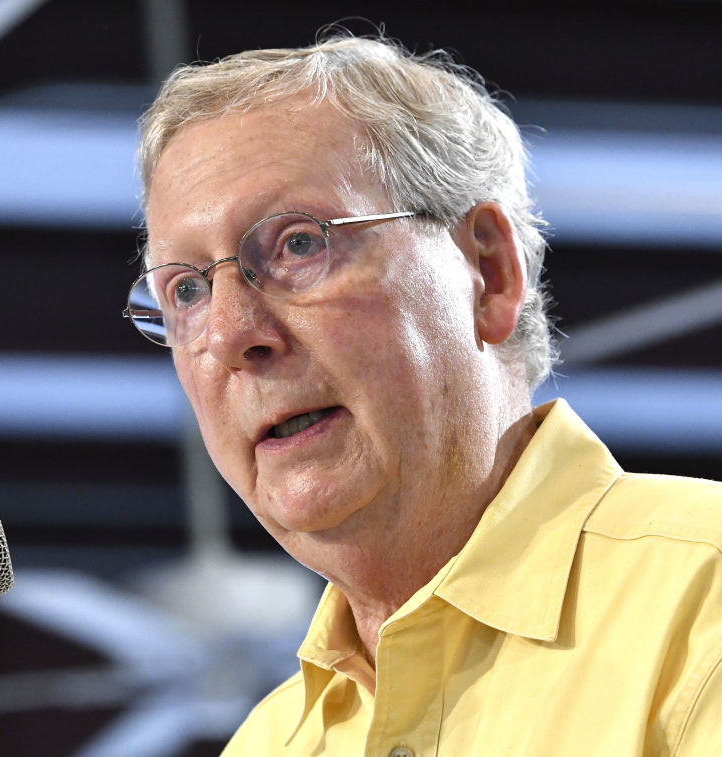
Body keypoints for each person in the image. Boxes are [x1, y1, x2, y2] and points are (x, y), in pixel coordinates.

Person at [122, 35, 722, 756]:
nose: (227, 333)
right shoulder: (267, 743)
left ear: (488, 271)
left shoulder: (702, 598)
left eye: (298, 245)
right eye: (185, 289)